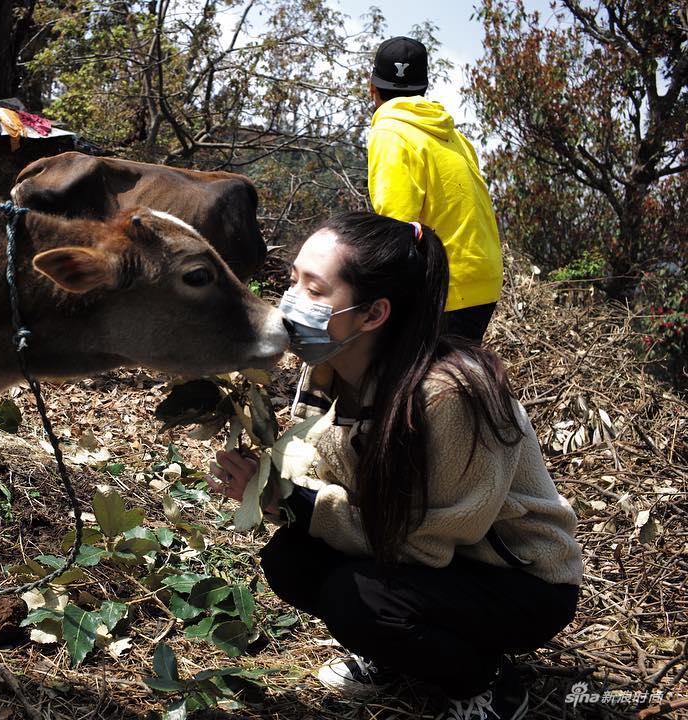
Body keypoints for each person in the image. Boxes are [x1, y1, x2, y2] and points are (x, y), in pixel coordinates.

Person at [208, 212, 582, 720]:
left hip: (518, 580)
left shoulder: (449, 394)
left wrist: (295, 501)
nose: (292, 301)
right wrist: (271, 482)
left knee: (354, 599)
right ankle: (401, 649)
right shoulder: (328, 368)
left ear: (373, 314)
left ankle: (486, 681)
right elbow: (312, 458)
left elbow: (427, 543)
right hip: (419, 551)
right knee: (290, 561)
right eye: (293, 280)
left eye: (316, 290)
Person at [367, 36, 502, 343]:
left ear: (371, 87)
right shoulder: (454, 135)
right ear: (424, 89)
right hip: (483, 278)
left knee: (414, 381)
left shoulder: (389, 132)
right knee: (452, 375)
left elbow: (396, 228)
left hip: (445, 289)